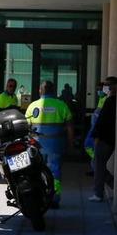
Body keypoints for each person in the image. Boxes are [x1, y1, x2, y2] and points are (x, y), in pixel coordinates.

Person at [25, 80, 74, 208]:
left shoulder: (33, 106)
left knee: (36, 170)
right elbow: (69, 127)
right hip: (56, 145)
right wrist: (70, 143)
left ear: (40, 91)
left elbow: (26, 127)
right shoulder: (61, 105)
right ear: (53, 91)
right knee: (55, 171)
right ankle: (54, 198)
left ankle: (39, 196)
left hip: (36, 146)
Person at [90, 76, 117, 202]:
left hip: (104, 139)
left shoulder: (111, 101)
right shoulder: (108, 100)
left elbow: (102, 122)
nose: (104, 87)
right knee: (97, 164)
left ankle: (98, 193)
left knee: (98, 165)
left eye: (107, 85)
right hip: (108, 138)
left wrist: (97, 136)